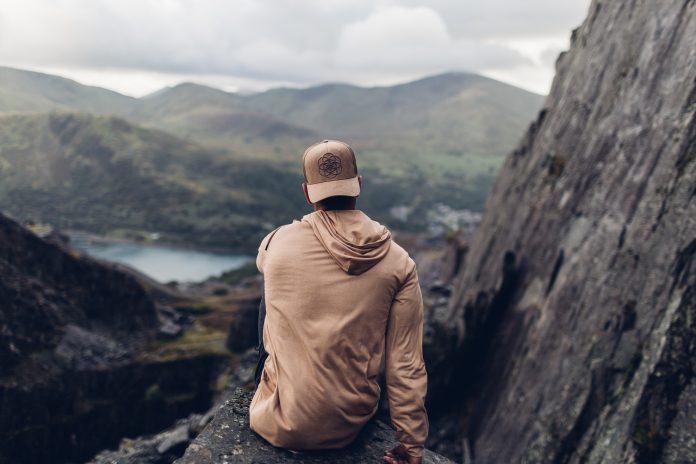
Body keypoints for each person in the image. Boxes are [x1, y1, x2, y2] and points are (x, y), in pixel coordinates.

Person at [250, 140, 428, 464]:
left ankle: (278, 388)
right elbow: (406, 364)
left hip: (275, 421)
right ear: (358, 185)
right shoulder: (400, 262)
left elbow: (265, 267)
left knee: (271, 284)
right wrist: (411, 444)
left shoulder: (276, 241)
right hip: (348, 425)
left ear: (307, 193)